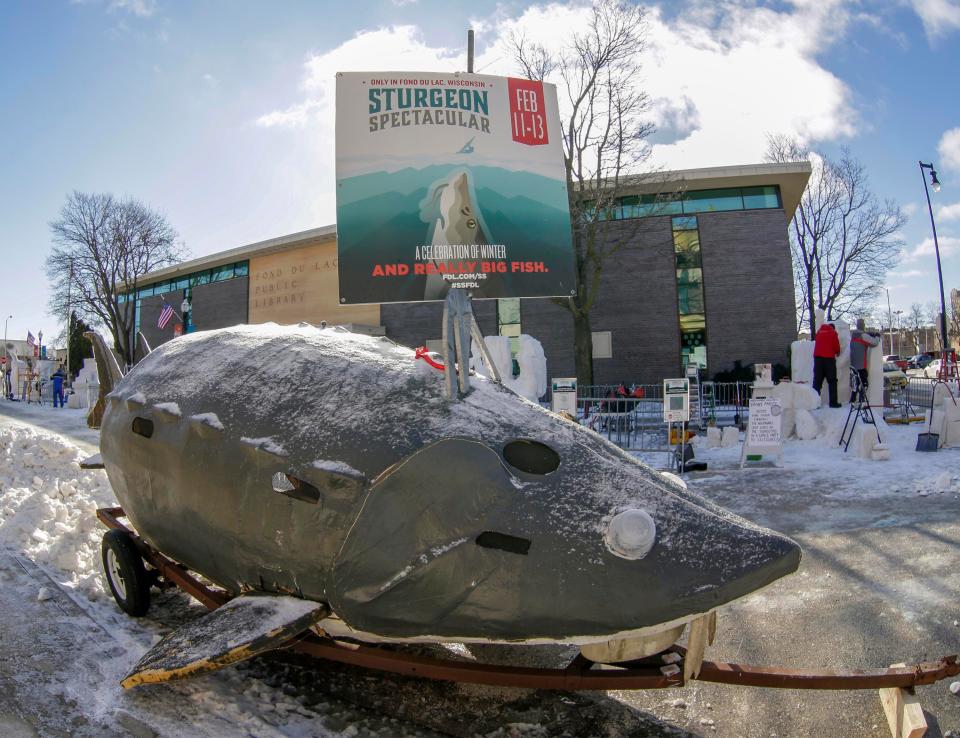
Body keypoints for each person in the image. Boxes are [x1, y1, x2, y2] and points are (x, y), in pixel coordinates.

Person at [849, 318, 880, 403]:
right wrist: (877, 336)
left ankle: (852, 400)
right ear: (863, 326)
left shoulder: (853, 335)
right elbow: (874, 343)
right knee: (864, 384)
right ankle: (861, 401)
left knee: (855, 384)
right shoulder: (863, 336)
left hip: (853, 365)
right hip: (861, 366)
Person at [813, 322, 842, 408]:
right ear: (833, 328)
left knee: (817, 382)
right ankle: (833, 403)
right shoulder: (833, 333)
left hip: (818, 360)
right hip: (829, 359)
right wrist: (837, 352)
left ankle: (814, 403)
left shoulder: (818, 332)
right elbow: (836, 347)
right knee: (832, 381)